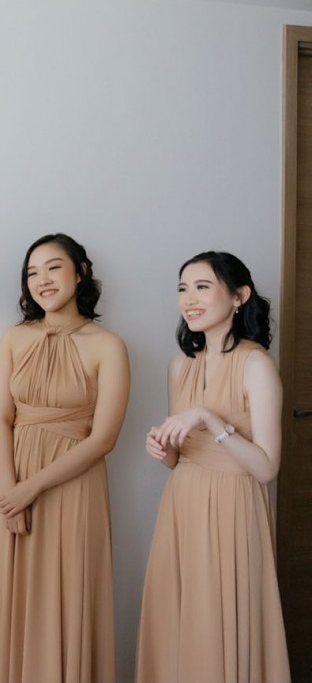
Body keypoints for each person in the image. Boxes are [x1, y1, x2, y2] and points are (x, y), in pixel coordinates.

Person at [0, 233, 129, 683]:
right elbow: (0, 419)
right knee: (10, 600)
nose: (42, 280)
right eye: (32, 272)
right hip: (15, 485)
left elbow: (104, 439)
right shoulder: (14, 338)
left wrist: (31, 488)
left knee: (68, 598)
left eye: (54, 267)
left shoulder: (109, 345)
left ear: (80, 273)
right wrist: (10, 492)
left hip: (73, 487)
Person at [137, 251, 290, 683]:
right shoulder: (179, 367)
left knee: (221, 621)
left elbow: (266, 468)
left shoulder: (257, 364)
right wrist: (162, 445)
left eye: (202, 287)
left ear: (239, 296)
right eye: (183, 289)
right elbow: (178, 458)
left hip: (233, 506)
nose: (189, 299)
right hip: (182, 503)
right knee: (180, 619)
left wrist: (209, 419)